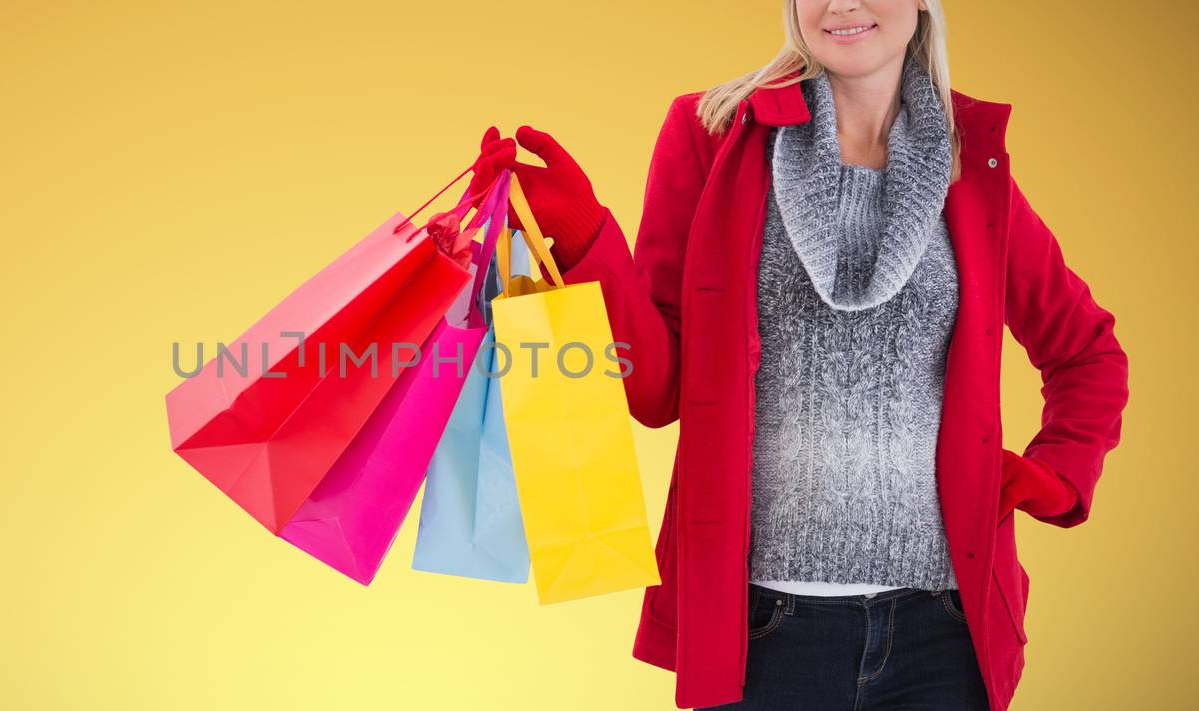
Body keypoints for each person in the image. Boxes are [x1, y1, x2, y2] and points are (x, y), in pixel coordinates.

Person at [450, 1, 1129, 709]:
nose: (840, 4)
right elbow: (659, 390)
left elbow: (1087, 350)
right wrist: (588, 240)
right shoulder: (715, 136)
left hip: (943, 633)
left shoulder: (969, 161)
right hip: (764, 632)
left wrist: (1056, 473)